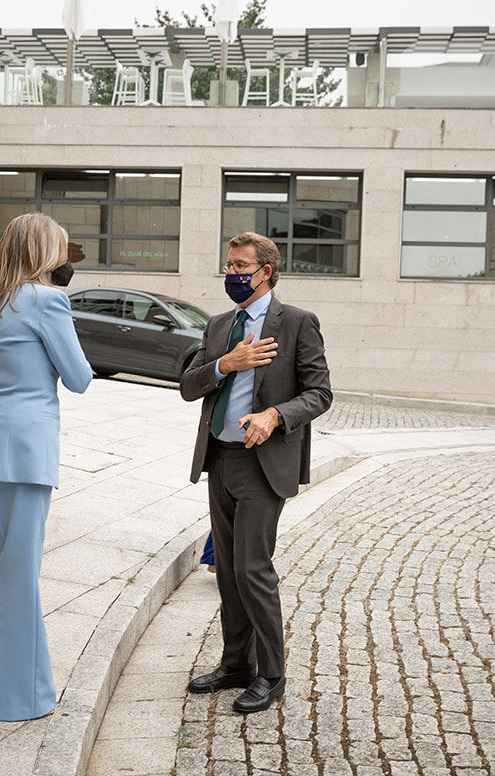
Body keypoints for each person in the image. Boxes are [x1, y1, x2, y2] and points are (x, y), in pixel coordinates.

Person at [0, 212, 92, 721]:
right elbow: (79, 378)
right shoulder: (50, 301)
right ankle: (17, 698)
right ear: (43, 251)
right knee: (20, 574)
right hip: (25, 451)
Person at [180, 231, 332, 714]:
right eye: (228, 266)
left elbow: (320, 393)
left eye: (240, 266)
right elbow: (188, 385)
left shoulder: (298, 324)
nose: (232, 274)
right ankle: (236, 664)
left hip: (264, 464)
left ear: (265, 271)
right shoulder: (221, 324)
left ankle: (271, 673)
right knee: (226, 569)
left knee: (252, 569)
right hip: (219, 458)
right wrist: (225, 363)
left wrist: (274, 416)